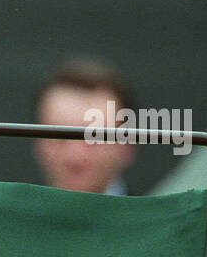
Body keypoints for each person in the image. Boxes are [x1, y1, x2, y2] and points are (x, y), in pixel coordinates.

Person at [33, 56, 137, 195]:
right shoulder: (9, 215)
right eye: (59, 138)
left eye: (94, 137)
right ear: (38, 143)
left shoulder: (157, 215)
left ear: (127, 144)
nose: (75, 156)